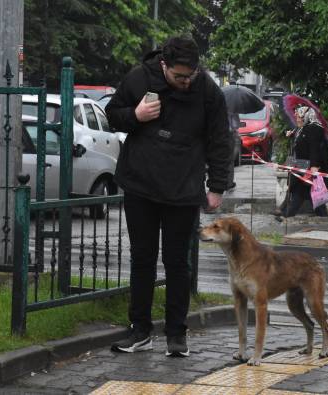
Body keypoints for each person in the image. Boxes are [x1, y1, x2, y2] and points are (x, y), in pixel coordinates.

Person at [105, 36, 232, 357]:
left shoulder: (207, 92)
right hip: (141, 184)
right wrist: (136, 115)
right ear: (163, 65)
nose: (186, 82)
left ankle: (177, 333)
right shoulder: (139, 78)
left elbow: (220, 140)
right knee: (142, 260)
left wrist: (217, 187)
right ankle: (140, 330)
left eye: (191, 76)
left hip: (184, 189)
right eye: (179, 77)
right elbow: (112, 115)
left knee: (178, 263)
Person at [276, 105, 328, 219]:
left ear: (306, 116)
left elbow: (314, 148)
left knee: (303, 192)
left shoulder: (314, 128)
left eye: (299, 116)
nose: (297, 119)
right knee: (304, 192)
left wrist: (314, 166)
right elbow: (299, 146)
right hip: (302, 165)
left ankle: (287, 215)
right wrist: (291, 136)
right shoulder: (303, 128)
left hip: (309, 167)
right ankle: (322, 217)